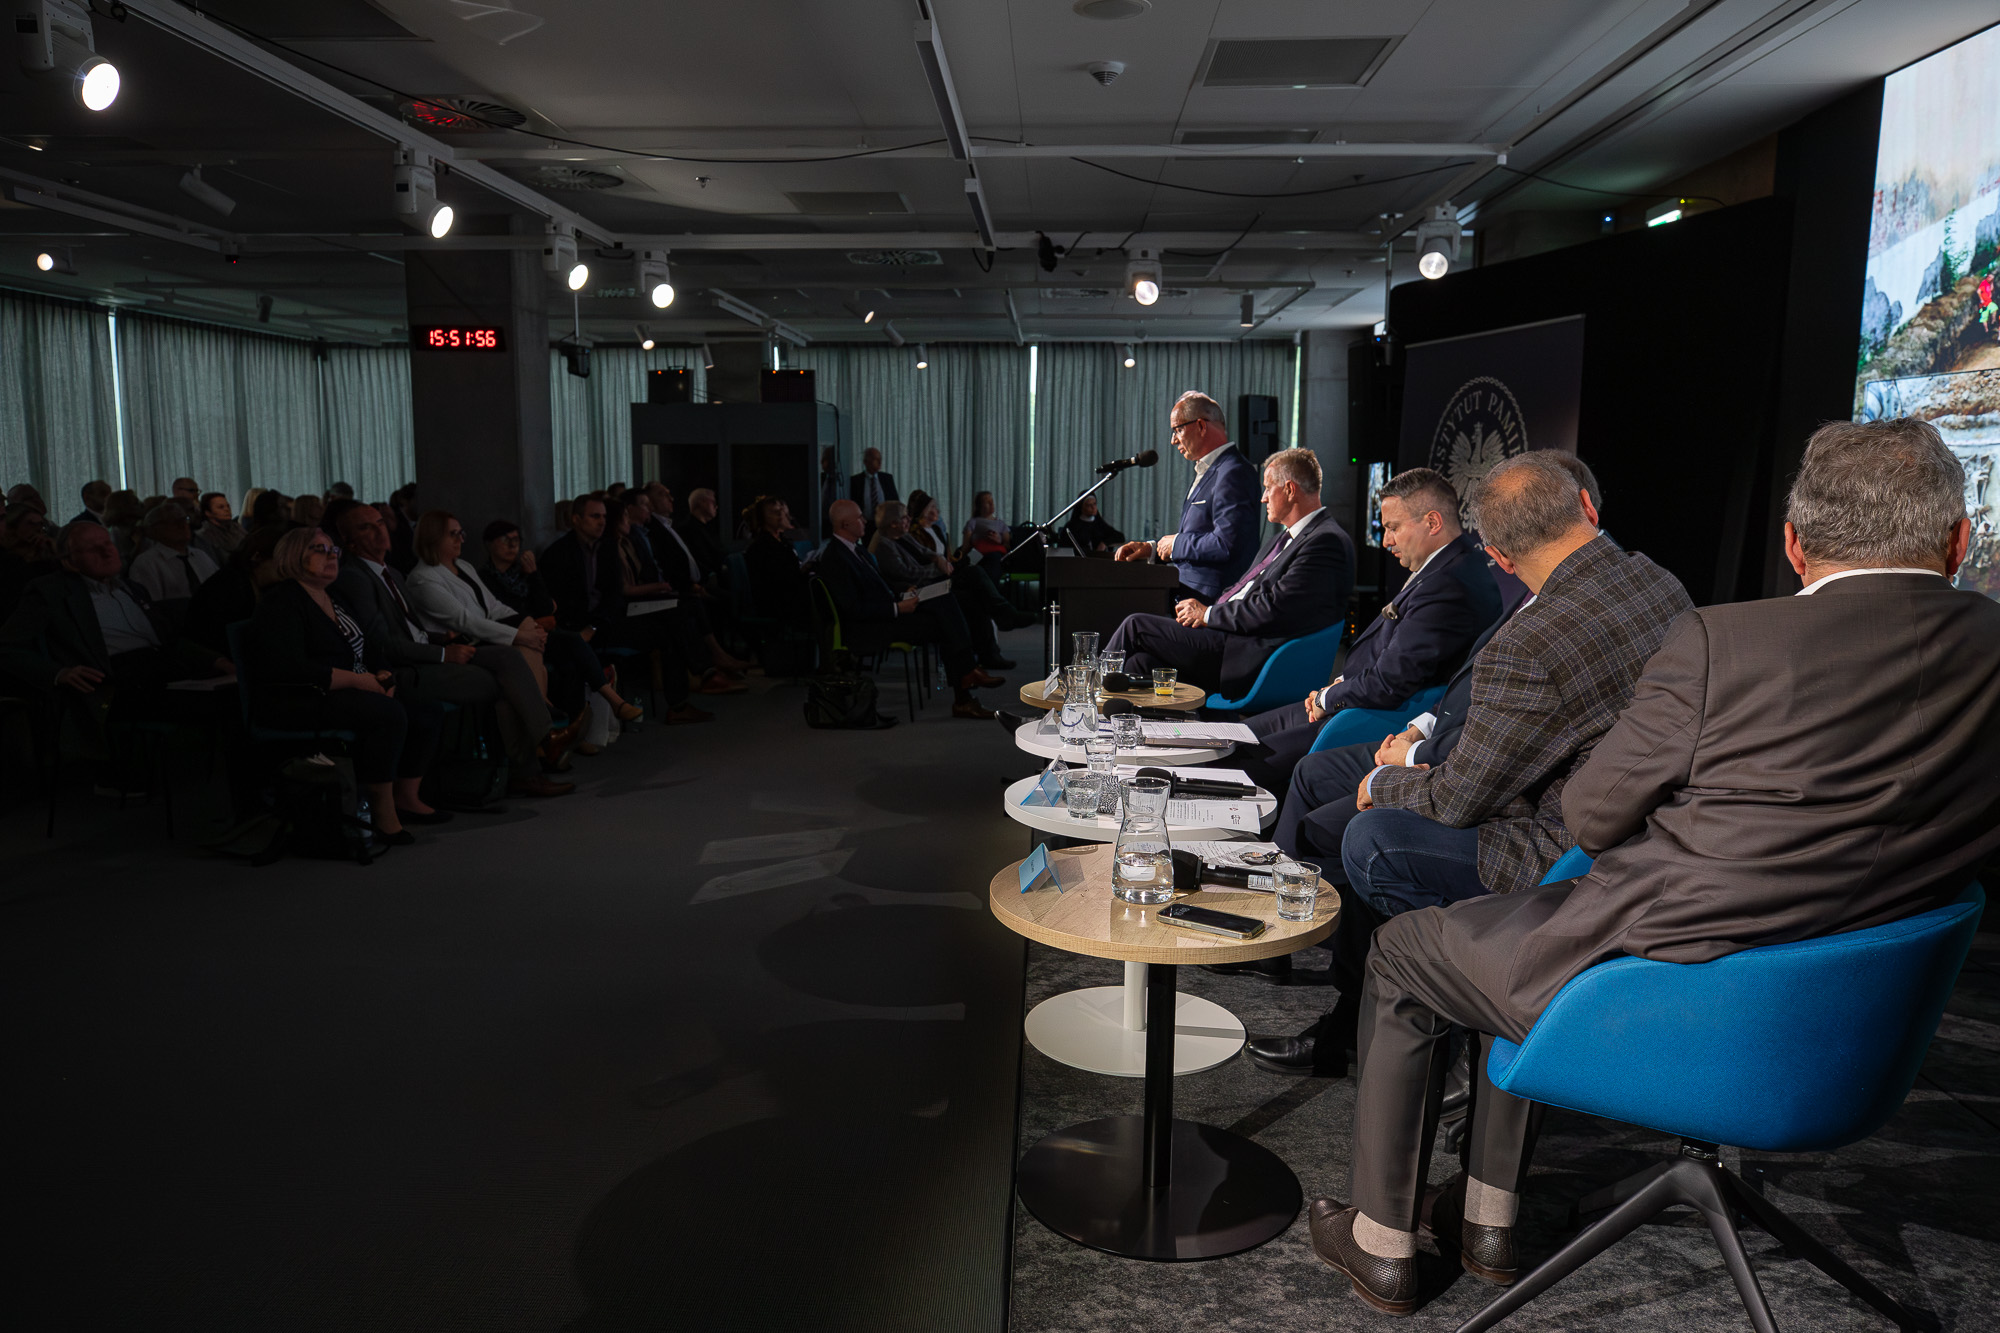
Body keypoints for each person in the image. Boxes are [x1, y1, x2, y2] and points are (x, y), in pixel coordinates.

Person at [1309, 417, 2000, 1316]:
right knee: (1493, 916)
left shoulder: (1723, 642)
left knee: (1411, 950)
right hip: (1858, 1023)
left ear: (1793, 544)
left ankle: (1385, 1242)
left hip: (1664, 983)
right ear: (1960, 540)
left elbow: (1595, 815)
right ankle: (1483, 1220)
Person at [1251, 451, 1688, 1080]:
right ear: (1587, 507)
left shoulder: (1532, 640)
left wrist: (1382, 781)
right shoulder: (1657, 580)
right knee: (1342, 812)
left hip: (1563, 846)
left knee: (1369, 836)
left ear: (1500, 558)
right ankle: (1372, 1013)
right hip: (1651, 836)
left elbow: (1457, 800)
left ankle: (1430, 1018)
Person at [1236, 467, 1500, 799]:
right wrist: (1334, 689)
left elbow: (1390, 682)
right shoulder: (1446, 567)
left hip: (1371, 718)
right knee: (1237, 736)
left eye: (1393, 528)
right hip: (1353, 699)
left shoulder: (1451, 583)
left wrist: (1327, 698)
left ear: (1433, 522)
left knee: (1241, 759)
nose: (1386, 541)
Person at [326, 499, 574, 797]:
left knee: (509, 658)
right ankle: (536, 755)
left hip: (430, 651)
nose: (379, 531)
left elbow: (414, 629)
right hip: (404, 670)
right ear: (349, 541)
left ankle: (539, 748)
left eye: (380, 523)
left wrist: (440, 639)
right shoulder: (356, 577)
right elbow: (383, 644)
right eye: (366, 528)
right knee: (506, 684)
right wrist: (443, 653)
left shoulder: (391, 571)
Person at [249, 527, 449, 844]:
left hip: (353, 689)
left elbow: (369, 648)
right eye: (319, 550)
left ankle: (407, 796)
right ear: (293, 556)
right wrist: (359, 680)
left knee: (426, 710)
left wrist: (384, 675)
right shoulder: (282, 601)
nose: (331, 556)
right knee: (387, 714)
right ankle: (383, 813)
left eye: (333, 551)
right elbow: (289, 667)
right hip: (302, 696)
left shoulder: (335, 596)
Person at [0, 521, 233, 791]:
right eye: (92, 549)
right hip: (114, 677)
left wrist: (216, 660)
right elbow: (7, 647)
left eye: (108, 544)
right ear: (69, 562)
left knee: (234, 686)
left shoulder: (132, 589)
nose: (107, 552)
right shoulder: (50, 592)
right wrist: (58, 673)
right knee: (214, 700)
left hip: (158, 665)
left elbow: (170, 641)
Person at [1106, 448, 1352, 698]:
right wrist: (1207, 613)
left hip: (1245, 653)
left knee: (1136, 626)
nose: (1263, 498)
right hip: (1226, 636)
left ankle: (1091, 693)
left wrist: (1207, 614)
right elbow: (1243, 590)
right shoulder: (1286, 538)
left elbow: (1274, 608)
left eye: (1268, 488)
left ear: (1289, 489)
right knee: (1141, 663)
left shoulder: (1325, 542)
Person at [820, 498, 1001, 720]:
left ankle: (967, 682)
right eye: (859, 517)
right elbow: (853, 609)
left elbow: (880, 585)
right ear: (844, 524)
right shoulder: (835, 557)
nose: (864, 520)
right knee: (945, 621)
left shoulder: (857, 550)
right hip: (871, 627)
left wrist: (904, 590)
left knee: (945, 599)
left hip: (888, 611)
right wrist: (897, 608)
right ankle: (965, 686)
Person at [539, 495, 712, 725]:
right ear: (576, 519)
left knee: (674, 620)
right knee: (672, 621)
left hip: (604, 622)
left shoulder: (607, 547)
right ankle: (700, 674)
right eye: (594, 516)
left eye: (604, 516)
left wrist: (596, 625)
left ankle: (683, 699)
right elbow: (560, 603)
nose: (601, 522)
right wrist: (587, 627)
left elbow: (613, 596)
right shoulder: (559, 554)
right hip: (575, 626)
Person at [477, 518, 644, 736]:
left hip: (540, 634)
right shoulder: (484, 578)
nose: (512, 545)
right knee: (572, 644)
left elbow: (547, 607)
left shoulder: (523, 574)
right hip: (513, 639)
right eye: (505, 540)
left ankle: (574, 731)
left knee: (572, 661)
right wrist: (536, 620)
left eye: (516, 540)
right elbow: (501, 614)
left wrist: (534, 574)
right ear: (489, 544)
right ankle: (609, 702)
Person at [1113, 390, 1260, 600]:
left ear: (1201, 426)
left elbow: (1226, 544)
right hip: (1186, 593)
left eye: (1178, 430)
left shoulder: (1233, 472)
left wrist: (1175, 544)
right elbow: (1198, 534)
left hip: (1210, 600)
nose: (1173, 440)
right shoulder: (1211, 470)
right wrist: (1153, 549)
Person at [870, 501, 1015, 671]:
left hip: (931, 580)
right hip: (916, 590)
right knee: (971, 586)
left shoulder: (903, 535)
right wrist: (940, 569)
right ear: (893, 523)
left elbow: (926, 552)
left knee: (974, 582)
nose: (909, 519)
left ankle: (988, 649)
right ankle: (998, 625)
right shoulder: (884, 544)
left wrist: (939, 559)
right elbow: (907, 573)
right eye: (904, 517)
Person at [127, 502, 219, 606]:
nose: (183, 525)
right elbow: (152, 606)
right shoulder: (147, 563)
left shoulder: (200, 555)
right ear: (155, 529)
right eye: (173, 521)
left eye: (185, 519)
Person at [743, 495, 810, 622]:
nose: (782, 515)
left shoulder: (782, 542)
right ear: (763, 519)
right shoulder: (761, 547)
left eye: (782, 511)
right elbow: (779, 582)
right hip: (778, 606)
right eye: (775, 512)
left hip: (789, 598)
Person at [1, 502, 58, 621]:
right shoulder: (8, 561)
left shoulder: (48, 557)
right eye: (31, 524)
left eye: (40, 524)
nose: (38, 529)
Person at [193, 491, 245, 565]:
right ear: (208, 513)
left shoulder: (237, 527)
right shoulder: (204, 535)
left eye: (228, 506)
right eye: (221, 507)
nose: (227, 509)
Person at [849, 448, 898, 517]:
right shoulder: (855, 481)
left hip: (885, 520)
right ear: (866, 462)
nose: (879, 462)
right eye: (876, 459)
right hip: (864, 521)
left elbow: (895, 502)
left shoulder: (887, 479)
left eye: (880, 459)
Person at [961, 491, 1009, 557]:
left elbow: (1008, 546)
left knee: (994, 556)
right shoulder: (973, 522)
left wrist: (998, 540)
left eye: (992, 501)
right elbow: (966, 546)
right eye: (987, 502)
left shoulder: (1001, 524)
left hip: (996, 554)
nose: (991, 504)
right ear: (980, 506)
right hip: (978, 553)